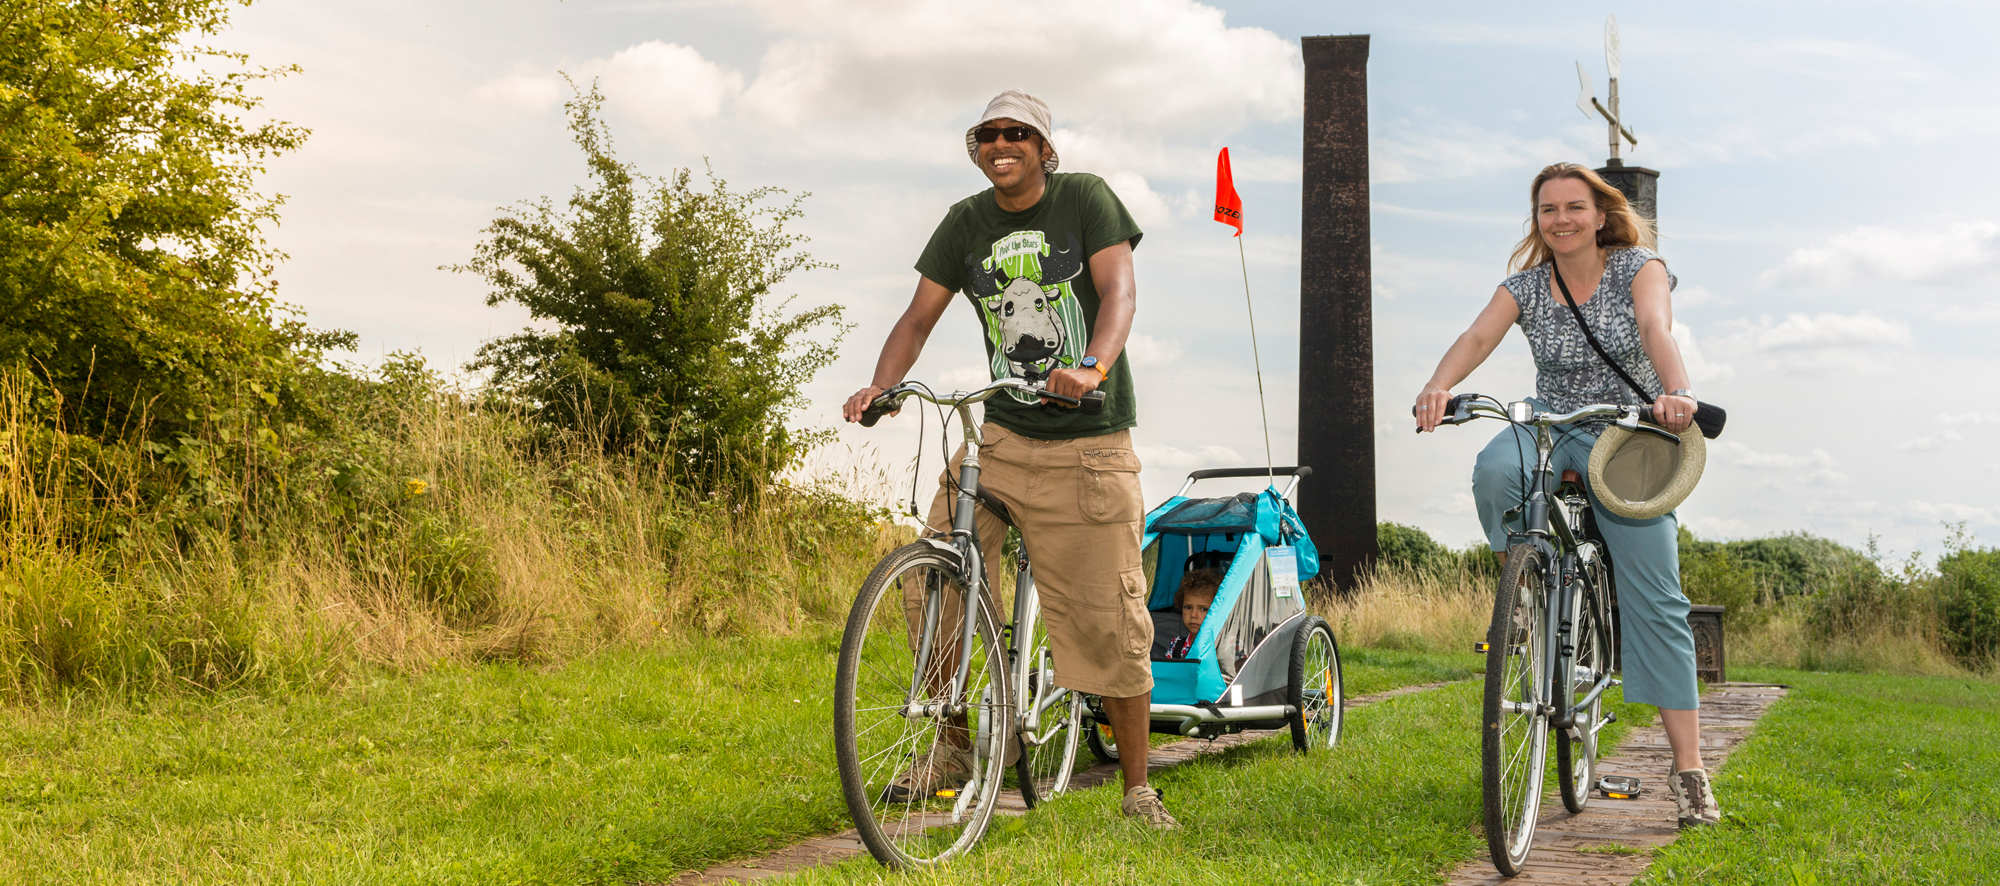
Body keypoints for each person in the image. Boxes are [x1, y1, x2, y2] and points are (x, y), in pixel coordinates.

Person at [841, 89, 1174, 829]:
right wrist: (883, 386)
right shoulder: (966, 221)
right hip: (1001, 442)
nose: (1002, 144)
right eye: (988, 134)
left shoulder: (1084, 198)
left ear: (1043, 148)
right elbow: (917, 315)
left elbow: (1118, 289)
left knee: (1111, 620)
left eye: (1017, 133)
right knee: (936, 572)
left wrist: (1089, 365)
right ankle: (956, 745)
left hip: (1088, 447)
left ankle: (1136, 789)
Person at [1412, 162, 1722, 829]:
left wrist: (1678, 392)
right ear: (1538, 220)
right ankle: (1521, 592)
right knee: (1495, 470)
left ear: (1600, 214)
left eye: (1573, 207)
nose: (1561, 220)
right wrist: (1438, 385)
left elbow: (1654, 330)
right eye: (1548, 210)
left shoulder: (1639, 268)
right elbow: (1478, 336)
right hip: (1551, 424)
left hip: (1627, 433)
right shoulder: (1523, 285)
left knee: (1657, 591)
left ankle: (1690, 770)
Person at [1164, 568, 1223, 659]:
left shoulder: (1227, 645)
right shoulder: (1176, 645)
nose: (1193, 615)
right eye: (1188, 607)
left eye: (1203, 609)